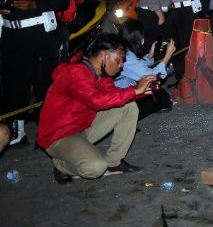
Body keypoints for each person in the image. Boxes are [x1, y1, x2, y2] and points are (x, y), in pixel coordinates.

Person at [37, 33, 155, 184]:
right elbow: (97, 101)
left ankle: (114, 161)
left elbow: (115, 95)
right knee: (96, 168)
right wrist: (135, 91)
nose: (121, 65)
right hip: (59, 136)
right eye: (118, 60)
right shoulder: (76, 72)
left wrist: (141, 91)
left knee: (128, 106)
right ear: (104, 55)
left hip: (83, 127)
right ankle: (61, 165)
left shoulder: (101, 75)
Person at [0, 0, 70, 147]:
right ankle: (16, 132)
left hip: (38, 34)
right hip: (10, 34)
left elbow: (63, 0)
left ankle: (48, 132)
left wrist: (36, 5)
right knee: (12, 85)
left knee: (44, 85)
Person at [116, 19, 175, 119]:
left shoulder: (123, 50)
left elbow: (138, 66)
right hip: (121, 97)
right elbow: (151, 76)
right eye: (141, 36)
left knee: (159, 94)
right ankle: (126, 117)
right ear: (135, 37)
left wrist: (151, 54)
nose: (142, 39)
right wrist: (167, 56)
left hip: (124, 91)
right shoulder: (127, 57)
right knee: (162, 97)